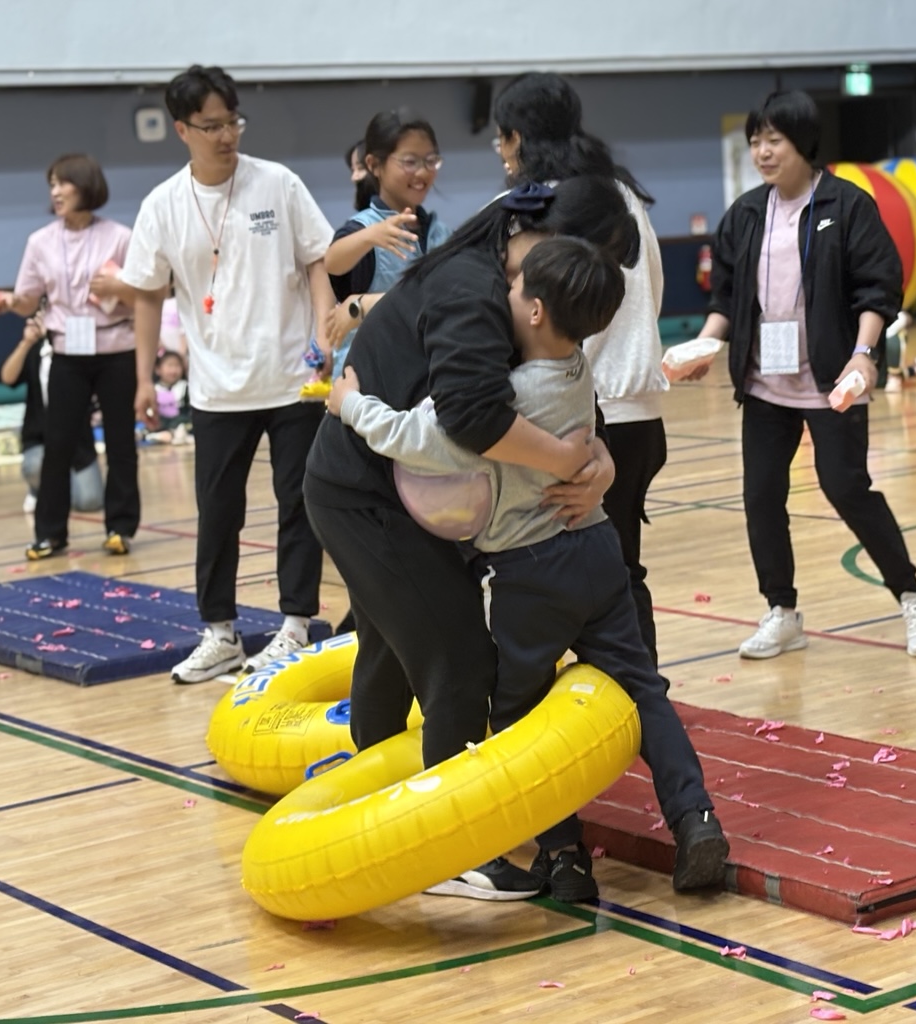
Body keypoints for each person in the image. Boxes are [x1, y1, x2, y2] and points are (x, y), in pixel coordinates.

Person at [326, 237, 728, 901]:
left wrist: (350, 405)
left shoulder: (503, 400)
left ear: (535, 310)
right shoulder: (578, 372)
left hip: (529, 572)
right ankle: (697, 820)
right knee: (642, 689)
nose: (503, 295)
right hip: (598, 552)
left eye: (513, 288)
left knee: (518, 715)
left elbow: (418, 440)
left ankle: (564, 855)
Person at [304, 176, 630, 899]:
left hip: (401, 494)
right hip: (366, 495)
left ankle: (383, 815)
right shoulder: (477, 291)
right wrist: (569, 459)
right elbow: (469, 421)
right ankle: (446, 850)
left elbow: (562, 392)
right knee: (457, 656)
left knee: (392, 649)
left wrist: (598, 458)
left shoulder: (519, 289)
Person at [692, 90, 916, 660]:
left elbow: (877, 289)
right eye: (755, 141)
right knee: (761, 496)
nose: (762, 151)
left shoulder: (847, 205)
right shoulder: (746, 213)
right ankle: (781, 612)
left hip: (833, 379)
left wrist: (863, 354)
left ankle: (912, 597)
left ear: (803, 143)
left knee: (846, 488)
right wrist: (706, 344)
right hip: (765, 383)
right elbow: (726, 295)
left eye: (774, 140)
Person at [119, 65, 337, 682]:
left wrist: (325, 333)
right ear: (182, 129)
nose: (226, 136)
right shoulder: (163, 205)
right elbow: (146, 295)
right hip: (217, 387)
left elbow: (318, 260)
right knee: (217, 514)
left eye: (233, 122)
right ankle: (220, 633)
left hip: (293, 378)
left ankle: (295, 626)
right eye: (211, 126)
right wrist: (143, 379)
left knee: (299, 506)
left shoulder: (278, 183)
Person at [492, 71, 671, 664]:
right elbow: (653, 293)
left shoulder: (528, 206)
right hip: (638, 414)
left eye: (500, 138)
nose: (499, 152)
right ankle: (640, 696)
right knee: (620, 568)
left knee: (553, 575)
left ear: (517, 138)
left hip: (564, 416)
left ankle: (616, 697)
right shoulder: (623, 195)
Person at [0, 154, 138, 561]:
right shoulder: (39, 241)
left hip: (117, 349)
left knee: (121, 442)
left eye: (63, 183)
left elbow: (146, 295)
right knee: (57, 442)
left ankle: (120, 528)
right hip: (66, 352)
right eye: (52, 185)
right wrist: (9, 301)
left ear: (86, 185)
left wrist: (117, 287)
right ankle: (50, 533)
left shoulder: (121, 237)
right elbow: (27, 301)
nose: (55, 192)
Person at [325, 109, 452, 379]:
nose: (422, 172)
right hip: (368, 382)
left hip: (426, 378)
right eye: (410, 162)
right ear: (374, 165)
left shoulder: (441, 233)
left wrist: (366, 304)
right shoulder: (362, 230)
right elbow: (333, 262)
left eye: (431, 160)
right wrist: (370, 236)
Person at [0, 311, 104, 516]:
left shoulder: (78, 348)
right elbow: (7, 378)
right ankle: (38, 490)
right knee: (36, 466)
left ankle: (59, 487)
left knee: (90, 501)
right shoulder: (37, 351)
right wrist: (26, 342)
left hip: (78, 442)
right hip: (41, 439)